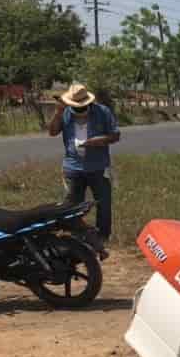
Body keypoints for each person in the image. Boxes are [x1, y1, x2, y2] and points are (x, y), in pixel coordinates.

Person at [48, 82, 120, 250]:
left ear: (89, 102)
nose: (79, 110)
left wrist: (98, 141)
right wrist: (58, 112)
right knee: (71, 205)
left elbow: (115, 135)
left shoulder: (103, 112)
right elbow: (52, 132)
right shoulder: (65, 112)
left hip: (98, 167)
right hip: (72, 168)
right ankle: (76, 236)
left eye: (82, 107)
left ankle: (103, 236)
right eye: (75, 107)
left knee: (103, 203)